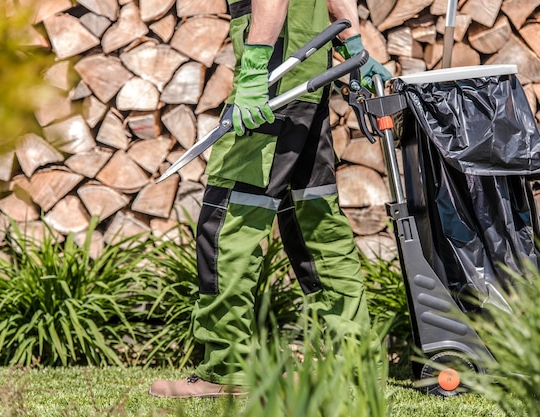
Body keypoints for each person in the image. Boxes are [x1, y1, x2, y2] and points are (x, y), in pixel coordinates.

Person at [149, 0, 392, 398]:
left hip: (274, 80)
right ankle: (357, 360)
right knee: (315, 219)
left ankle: (228, 369)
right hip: (306, 84)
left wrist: (253, 72)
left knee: (227, 222)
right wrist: (355, 50)